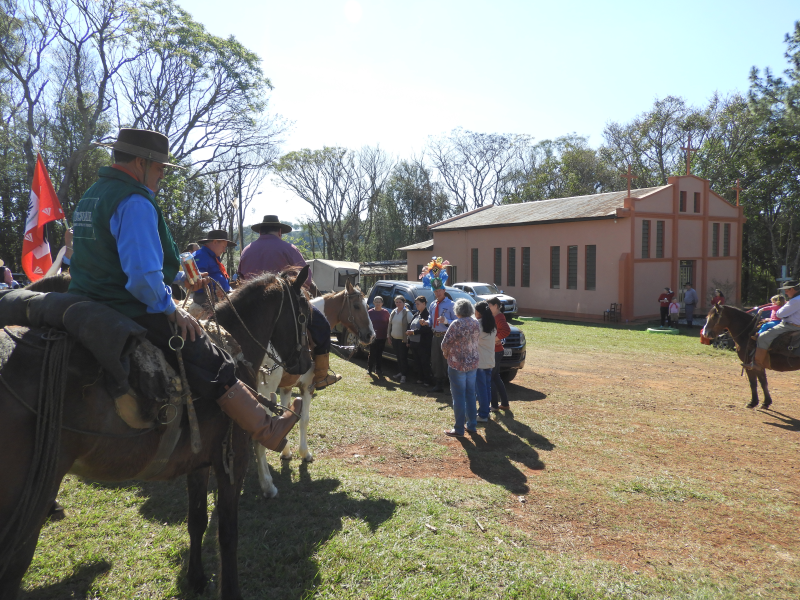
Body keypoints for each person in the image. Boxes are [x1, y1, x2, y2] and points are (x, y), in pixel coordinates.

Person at [68, 128, 300, 453]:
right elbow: (141, 278)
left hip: (82, 300)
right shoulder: (134, 201)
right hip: (124, 305)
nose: (162, 174)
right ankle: (266, 428)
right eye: (160, 167)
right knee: (209, 354)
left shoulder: (93, 194)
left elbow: (115, 259)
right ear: (141, 163)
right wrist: (170, 309)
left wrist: (178, 278)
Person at [238, 215, 341, 390]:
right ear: (279, 231)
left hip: (249, 309)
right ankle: (321, 375)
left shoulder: (246, 250)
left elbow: (240, 278)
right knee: (322, 325)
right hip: (283, 305)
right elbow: (306, 279)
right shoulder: (288, 248)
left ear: (260, 231)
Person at [441, 298, 480, 437]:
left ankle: (459, 428)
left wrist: (446, 354)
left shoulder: (456, 324)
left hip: (457, 364)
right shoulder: (476, 323)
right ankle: (472, 425)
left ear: (457, 310)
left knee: (458, 396)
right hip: (473, 363)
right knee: (470, 394)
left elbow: (445, 343)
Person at [754, 280, 800, 369]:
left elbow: (780, 314)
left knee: (763, 337)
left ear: (792, 289)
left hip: (789, 326)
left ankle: (757, 363)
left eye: (786, 290)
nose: (785, 293)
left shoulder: (795, 301)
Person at [189, 230, 235, 317]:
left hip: (220, 297)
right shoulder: (201, 256)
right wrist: (217, 288)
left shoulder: (213, 256)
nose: (224, 250)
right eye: (223, 246)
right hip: (207, 299)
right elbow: (197, 280)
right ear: (215, 242)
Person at [425, 280, 456, 393]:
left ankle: (450, 384)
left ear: (444, 290)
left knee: (446, 360)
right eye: (435, 291)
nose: (437, 293)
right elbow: (431, 319)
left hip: (446, 336)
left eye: (439, 291)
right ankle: (439, 383)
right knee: (436, 360)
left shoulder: (451, 305)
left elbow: (457, 321)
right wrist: (426, 322)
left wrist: (446, 321)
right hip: (435, 336)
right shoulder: (433, 304)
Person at [487, 296, 511, 410]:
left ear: (496, 306)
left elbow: (506, 330)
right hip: (497, 351)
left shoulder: (499, 317)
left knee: (491, 378)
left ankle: (495, 405)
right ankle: (504, 404)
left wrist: (496, 338)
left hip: (496, 351)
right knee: (496, 377)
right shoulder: (495, 316)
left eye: (489, 306)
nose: (488, 308)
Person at [474, 301, 496, 424]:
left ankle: (483, 414)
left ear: (478, 312)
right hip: (489, 360)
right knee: (486, 387)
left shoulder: (478, 325)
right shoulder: (492, 324)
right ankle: (485, 411)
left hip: (480, 362)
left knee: (481, 389)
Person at [407, 295, 433, 385]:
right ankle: (420, 378)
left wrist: (414, 332)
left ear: (424, 304)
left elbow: (427, 330)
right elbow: (410, 326)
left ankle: (427, 380)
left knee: (424, 362)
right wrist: (409, 340)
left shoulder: (427, 315)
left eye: (418, 304)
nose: (416, 305)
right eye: (415, 304)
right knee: (417, 361)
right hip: (414, 343)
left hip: (423, 343)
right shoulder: (416, 314)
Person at [389, 295, 411, 383]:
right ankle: (401, 372)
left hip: (403, 340)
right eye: (396, 302)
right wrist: (389, 336)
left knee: (403, 357)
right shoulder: (394, 312)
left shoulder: (407, 313)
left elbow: (411, 325)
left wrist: (408, 340)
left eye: (400, 302)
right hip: (394, 338)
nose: (398, 304)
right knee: (398, 357)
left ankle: (404, 375)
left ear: (404, 303)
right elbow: (390, 324)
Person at [367, 296, 390, 376]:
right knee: (372, 353)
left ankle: (378, 369)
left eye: (379, 302)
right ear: (373, 303)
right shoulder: (370, 312)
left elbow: (389, 324)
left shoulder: (385, 312)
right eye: (376, 302)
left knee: (379, 354)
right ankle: (369, 368)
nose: (378, 303)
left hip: (382, 336)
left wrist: (388, 335)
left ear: (382, 303)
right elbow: (367, 324)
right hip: (373, 337)